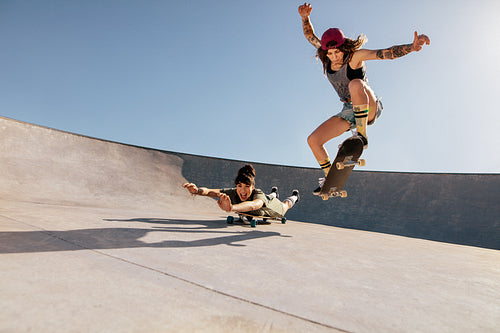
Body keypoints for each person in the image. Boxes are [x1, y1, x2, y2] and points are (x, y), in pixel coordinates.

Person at [298, 3, 430, 194]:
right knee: (313, 140)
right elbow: (311, 37)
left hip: (369, 104)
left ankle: (362, 135)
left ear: (344, 47)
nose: (334, 57)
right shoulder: (328, 55)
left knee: (355, 84)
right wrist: (304, 18)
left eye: (338, 52)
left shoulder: (355, 56)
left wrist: (411, 47)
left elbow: (386, 54)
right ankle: (330, 179)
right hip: (348, 111)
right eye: (330, 53)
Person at [182, 164, 300, 218]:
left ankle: (294, 196)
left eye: (247, 186)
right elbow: (210, 192)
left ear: (252, 187)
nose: (242, 190)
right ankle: (274, 193)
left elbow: (254, 205)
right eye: (239, 186)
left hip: (273, 207)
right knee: (269, 195)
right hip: (265, 198)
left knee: (286, 205)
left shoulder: (257, 193)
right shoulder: (234, 191)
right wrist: (197, 191)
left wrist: (231, 208)